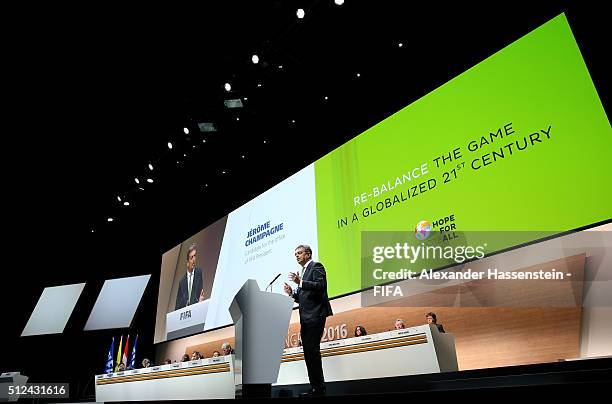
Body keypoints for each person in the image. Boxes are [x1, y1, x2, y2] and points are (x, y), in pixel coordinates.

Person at [284, 244, 333, 396]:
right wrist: (292, 293)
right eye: (295, 254)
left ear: (308, 254)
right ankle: (315, 387)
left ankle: (319, 388)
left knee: (312, 352)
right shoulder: (304, 272)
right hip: (306, 318)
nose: (297, 256)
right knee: (308, 354)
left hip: (315, 315)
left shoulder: (316, 266)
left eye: (299, 253)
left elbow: (321, 285)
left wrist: (301, 282)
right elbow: (304, 297)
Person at [175, 243, 206, 310]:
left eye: (195, 256)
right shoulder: (182, 282)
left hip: (197, 309)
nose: (194, 259)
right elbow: (177, 306)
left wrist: (200, 302)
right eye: (191, 257)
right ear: (187, 263)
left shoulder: (198, 273)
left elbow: (200, 294)